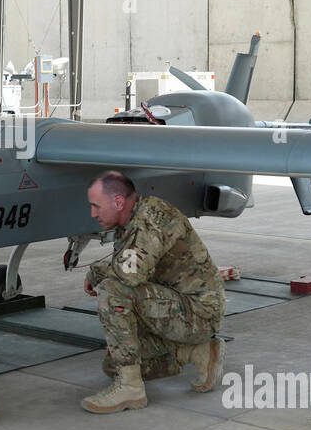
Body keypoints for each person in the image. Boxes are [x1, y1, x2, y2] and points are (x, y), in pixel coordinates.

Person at [80, 170, 226, 414]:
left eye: (96, 206)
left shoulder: (150, 220)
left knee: (113, 291)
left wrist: (98, 273)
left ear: (118, 202)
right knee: (113, 364)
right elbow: (129, 264)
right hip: (177, 307)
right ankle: (198, 352)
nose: (93, 213)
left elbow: (129, 275)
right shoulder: (130, 220)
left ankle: (130, 389)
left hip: (198, 312)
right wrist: (97, 272)